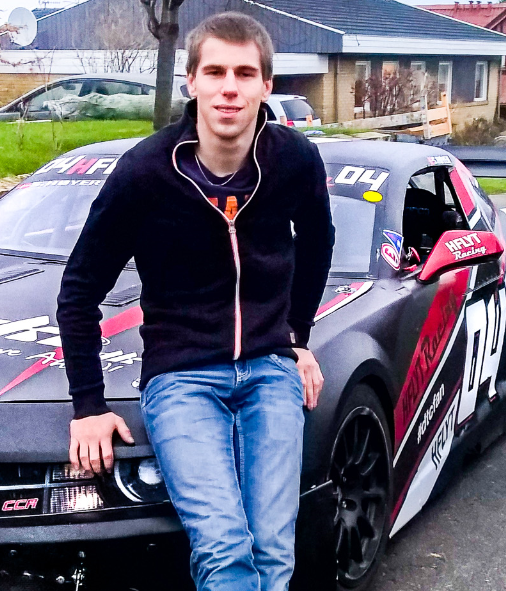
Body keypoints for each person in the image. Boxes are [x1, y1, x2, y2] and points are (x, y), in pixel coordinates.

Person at [56, 11, 334, 591]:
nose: (229, 88)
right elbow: (80, 290)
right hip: (181, 377)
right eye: (215, 72)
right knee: (225, 547)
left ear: (266, 85)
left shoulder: (294, 160)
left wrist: (297, 337)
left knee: (272, 548)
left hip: (269, 370)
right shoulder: (145, 173)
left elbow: (318, 242)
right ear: (192, 81)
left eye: (244, 73)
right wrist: (88, 405)